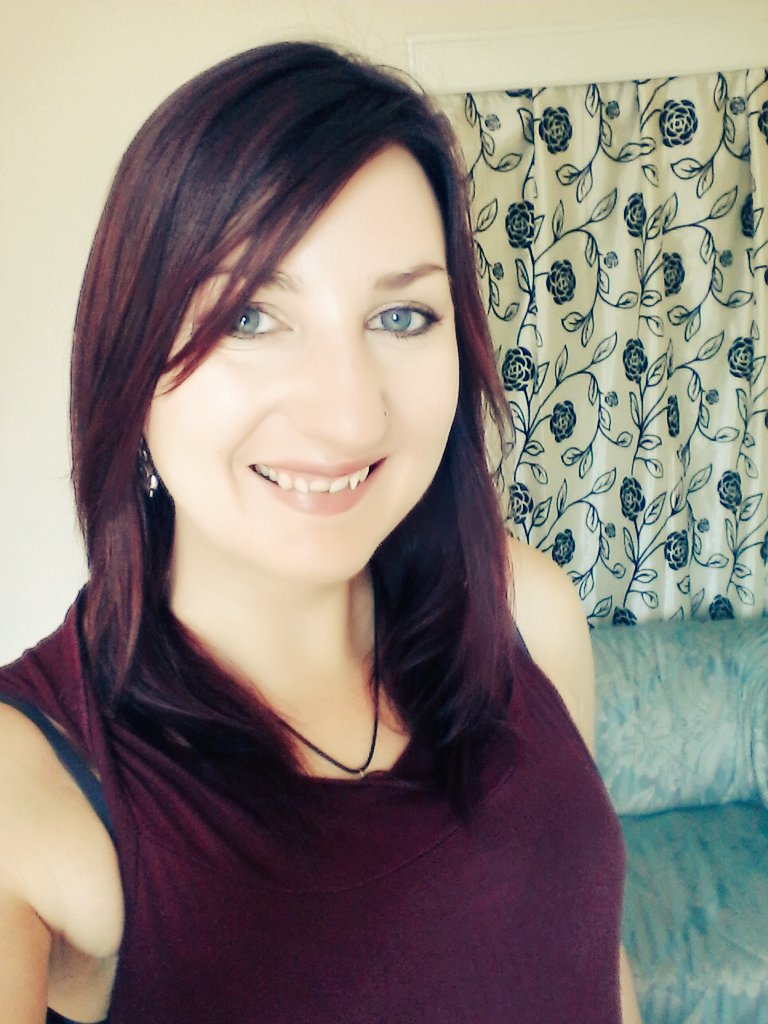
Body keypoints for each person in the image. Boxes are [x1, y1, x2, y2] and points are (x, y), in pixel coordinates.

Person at [0, 42, 641, 1024]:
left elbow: (595, 950)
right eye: (251, 318)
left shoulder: (529, 611)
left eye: (402, 315)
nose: (348, 416)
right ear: (131, 352)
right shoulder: (35, 790)